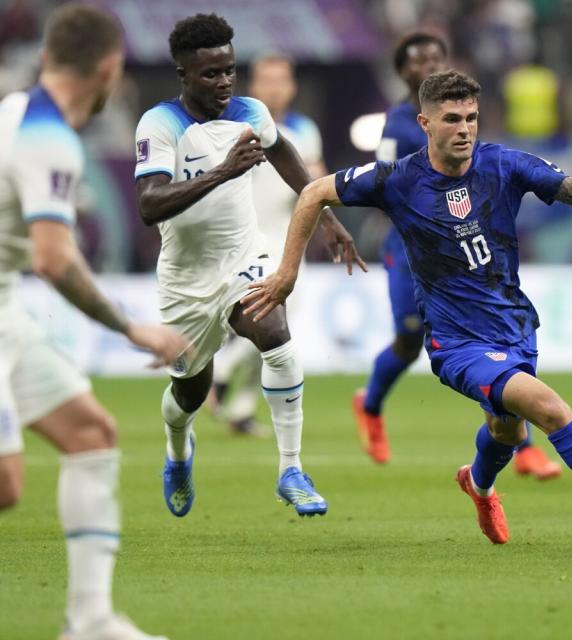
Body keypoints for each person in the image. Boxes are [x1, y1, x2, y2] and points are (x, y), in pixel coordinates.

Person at [244, 69, 572, 544]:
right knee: (548, 408)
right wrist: (286, 273)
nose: (464, 128)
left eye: (471, 117)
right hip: (457, 343)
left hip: (514, 325)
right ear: (425, 123)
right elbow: (313, 191)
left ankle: (479, 484)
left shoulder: (504, 164)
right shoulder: (398, 180)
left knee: (507, 433)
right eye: (451, 119)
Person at [0, 5, 187, 639]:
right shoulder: (48, 138)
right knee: (5, 483)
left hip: (4, 309)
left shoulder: (17, 111)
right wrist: (133, 328)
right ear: (109, 68)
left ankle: (91, 621)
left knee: (90, 431)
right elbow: (54, 259)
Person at [133, 13, 364, 519]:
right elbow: (149, 205)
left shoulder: (250, 112)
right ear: (183, 74)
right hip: (186, 280)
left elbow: (283, 153)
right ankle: (178, 450)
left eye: (229, 71)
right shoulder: (160, 124)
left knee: (275, 333)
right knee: (188, 393)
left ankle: (291, 470)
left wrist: (324, 216)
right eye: (210, 73)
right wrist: (221, 172)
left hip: (244, 258)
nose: (222, 83)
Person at [353, 33, 562, 480]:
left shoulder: (459, 119)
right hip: (412, 248)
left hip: (460, 248)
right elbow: (389, 187)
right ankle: (369, 405)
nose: (428, 63)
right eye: (418, 59)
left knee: (498, 346)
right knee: (409, 337)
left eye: (435, 56)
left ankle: (522, 450)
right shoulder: (398, 125)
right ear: (404, 72)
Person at [206, 52, 327, 436]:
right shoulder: (236, 123)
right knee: (272, 317)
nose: (274, 87)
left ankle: (240, 410)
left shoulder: (305, 129)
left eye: (281, 80)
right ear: (254, 86)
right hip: (247, 237)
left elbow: (312, 181)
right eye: (267, 80)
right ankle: (221, 374)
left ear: (291, 86)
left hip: (288, 235)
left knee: (274, 324)